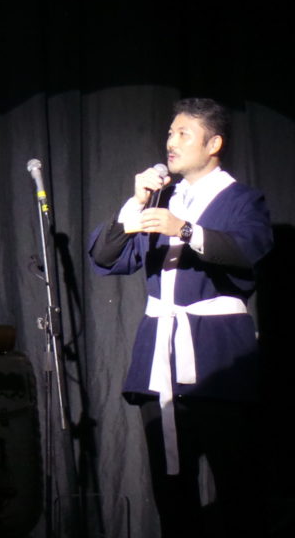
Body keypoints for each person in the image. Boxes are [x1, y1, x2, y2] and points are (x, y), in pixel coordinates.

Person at [88, 98, 273, 537]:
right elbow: (104, 256)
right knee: (172, 492)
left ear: (214, 144)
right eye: (170, 133)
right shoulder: (161, 201)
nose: (170, 142)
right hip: (159, 362)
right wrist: (134, 205)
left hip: (220, 360)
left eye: (183, 134)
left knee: (237, 489)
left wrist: (184, 230)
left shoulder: (242, 200)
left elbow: (248, 250)